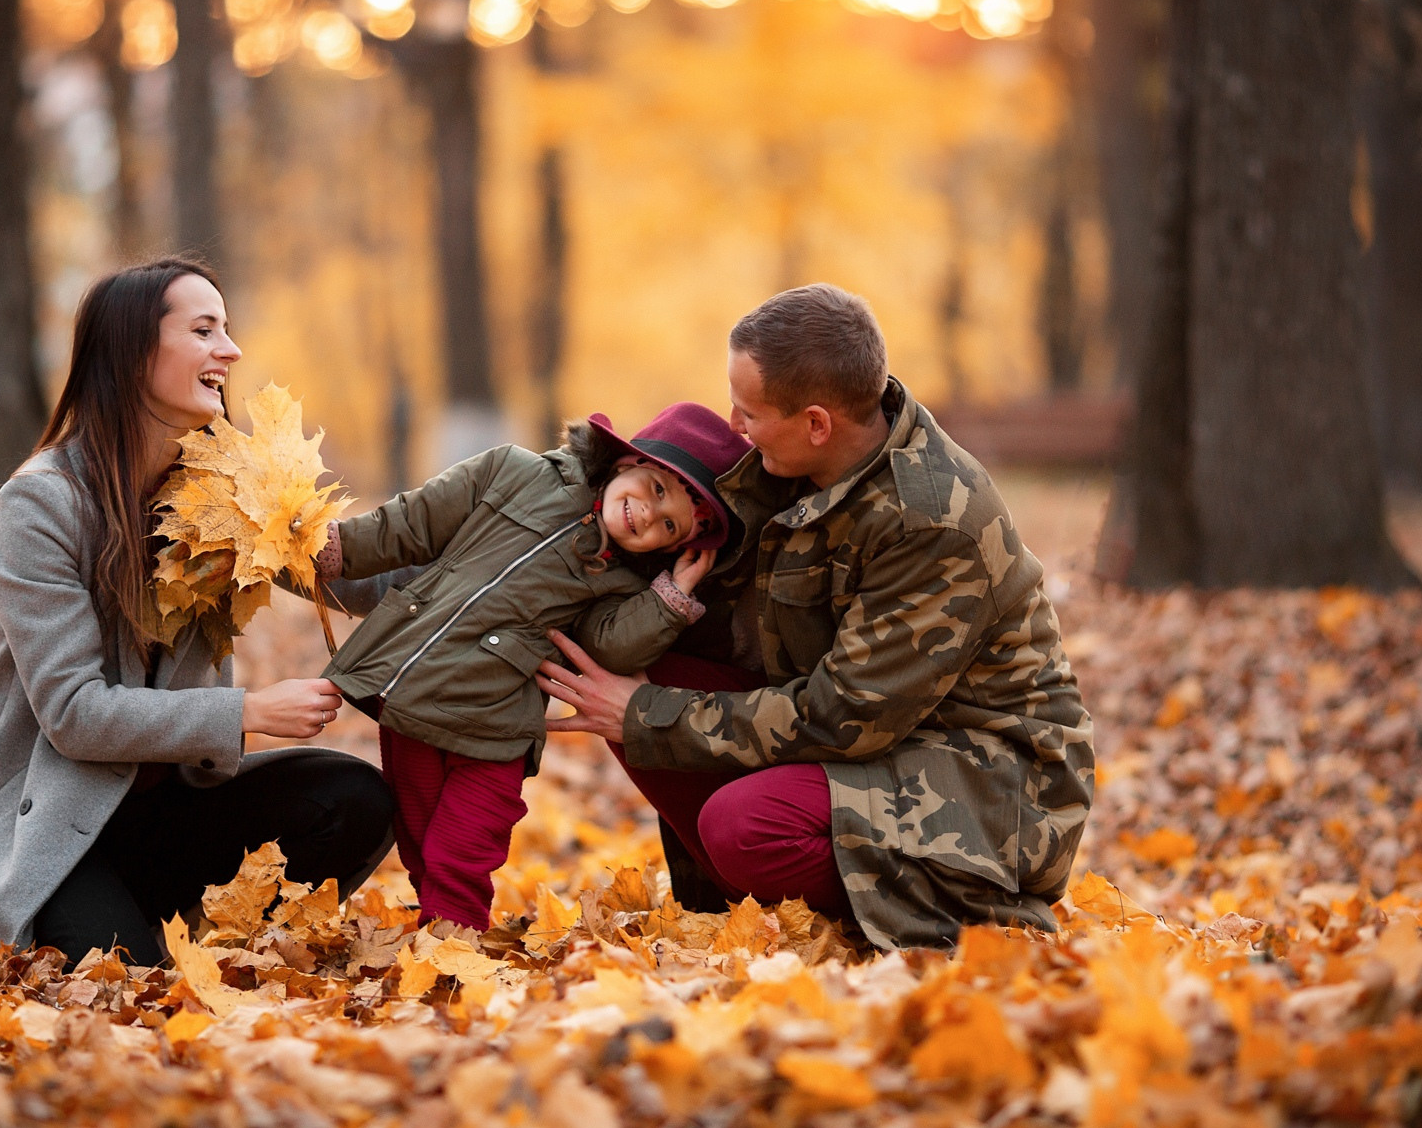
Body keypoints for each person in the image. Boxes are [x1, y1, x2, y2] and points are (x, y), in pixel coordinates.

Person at [0, 257, 396, 987]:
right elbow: (74, 714)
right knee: (135, 989)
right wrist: (249, 712)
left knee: (355, 801)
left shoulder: (223, 490)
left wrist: (510, 553)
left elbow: (359, 580)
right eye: (205, 330)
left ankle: (202, 933)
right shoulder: (41, 505)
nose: (231, 351)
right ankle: (105, 925)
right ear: (132, 350)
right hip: (52, 833)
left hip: (174, 813)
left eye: (228, 330)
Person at [537, 284, 1094, 951]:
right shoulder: (793, 463)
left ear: (816, 422)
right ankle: (743, 897)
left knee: (742, 825)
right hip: (882, 744)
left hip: (990, 779)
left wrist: (648, 714)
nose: (734, 425)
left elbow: (844, 715)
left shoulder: (930, 519)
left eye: (749, 412)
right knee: (633, 654)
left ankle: (966, 905)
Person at [315, 403, 750, 932]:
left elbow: (609, 649)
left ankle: (458, 949)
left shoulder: (625, 582)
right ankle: (436, 941)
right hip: (417, 699)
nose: (647, 516)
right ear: (625, 463)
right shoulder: (514, 472)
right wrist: (334, 549)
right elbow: (413, 522)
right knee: (422, 841)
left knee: (465, 850)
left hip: (498, 729)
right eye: (656, 490)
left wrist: (670, 598)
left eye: (668, 526)